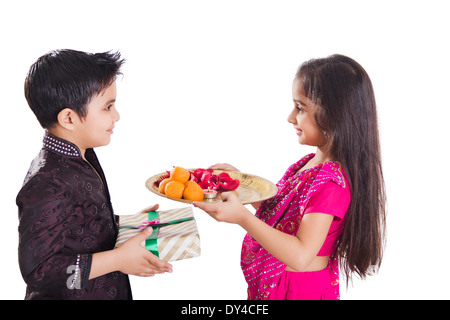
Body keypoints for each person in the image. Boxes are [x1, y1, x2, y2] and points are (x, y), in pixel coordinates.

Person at [194, 54, 386, 300]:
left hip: (297, 291)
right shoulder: (309, 164)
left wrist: (242, 218)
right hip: (276, 286)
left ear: (333, 114)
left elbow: (301, 255)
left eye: (300, 108)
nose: (290, 117)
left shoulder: (331, 184)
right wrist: (241, 189)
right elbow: (285, 215)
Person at [17, 49, 172, 300]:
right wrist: (117, 259)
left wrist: (126, 226)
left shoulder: (81, 154)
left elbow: (77, 226)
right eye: (108, 107)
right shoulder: (47, 181)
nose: (116, 115)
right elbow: (40, 274)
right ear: (69, 118)